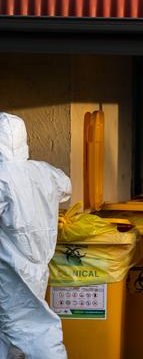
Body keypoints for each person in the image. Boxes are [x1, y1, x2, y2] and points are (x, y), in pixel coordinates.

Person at [0, 112, 71, 359]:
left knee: (29, 326)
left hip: (9, 266)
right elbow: (66, 188)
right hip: (38, 263)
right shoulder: (45, 172)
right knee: (19, 324)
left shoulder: (2, 176)